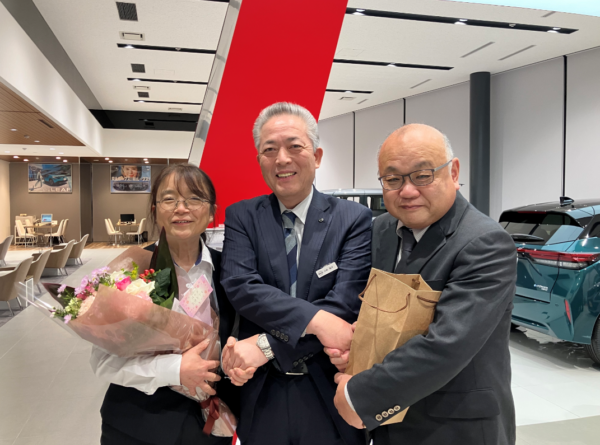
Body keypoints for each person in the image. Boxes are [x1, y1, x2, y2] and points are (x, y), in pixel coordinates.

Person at [333, 124, 518, 445]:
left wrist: (359, 396)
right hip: (389, 424)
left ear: (453, 172)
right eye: (393, 179)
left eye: (422, 175)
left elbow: (447, 345)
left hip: (455, 427)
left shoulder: (485, 242)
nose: (407, 191)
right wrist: (356, 341)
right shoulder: (383, 229)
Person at [220, 102, 372, 445]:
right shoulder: (242, 216)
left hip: (327, 385)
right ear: (259, 159)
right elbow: (242, 287)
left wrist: (266, 346)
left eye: (294, 146)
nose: (282, 159)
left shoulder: (353, 219)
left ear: (316, 156)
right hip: (262, 391)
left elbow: (345, 303)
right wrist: (318, 320)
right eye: (269, 150)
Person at [91, 164, 239, 445]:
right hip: (137, 425)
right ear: (155, 210)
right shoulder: (131, 270)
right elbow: (102, 362)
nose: (181, 208)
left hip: (209, 425)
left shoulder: (230, 270)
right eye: (169, 199)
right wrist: (175, 369)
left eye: (194, 198)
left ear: (211, 212)